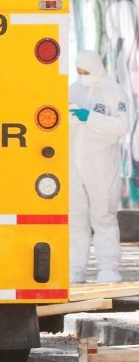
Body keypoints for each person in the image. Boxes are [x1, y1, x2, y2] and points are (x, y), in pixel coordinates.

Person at [70, 50, 129, 284]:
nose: (83, 76)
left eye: (86, 71)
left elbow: (122, 125)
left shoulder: (113, 91)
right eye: (79, 72)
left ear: (96, 67)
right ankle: (75, 269)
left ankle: (108, 269)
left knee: (103, 216)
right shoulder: (72, 90)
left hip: (102, 165)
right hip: (74, 165)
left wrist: (90, 117)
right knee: (76, 218)